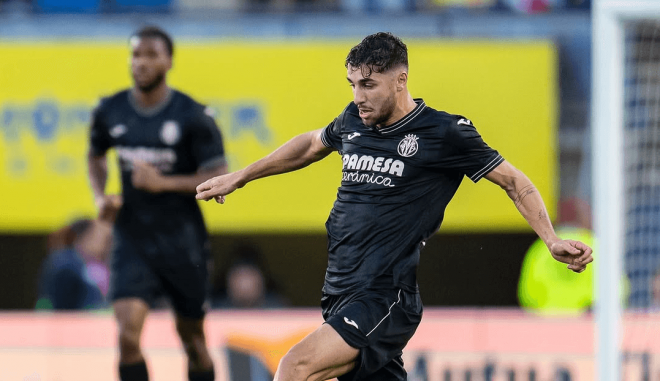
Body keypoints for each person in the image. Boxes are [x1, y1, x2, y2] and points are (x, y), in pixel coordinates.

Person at [196, 32, 593, 381]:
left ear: (400, 80)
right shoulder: (354, 118)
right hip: (339, 290)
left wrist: (551, 239)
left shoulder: (444, 132)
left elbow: (514, 181)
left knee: (295, 367)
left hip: (385, 295)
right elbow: (311, 144)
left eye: (368, 84)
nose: (358, 96)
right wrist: (242, 175)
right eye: (352, 84)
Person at [87, 26, 227, 381]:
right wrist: (102, 196)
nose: (142, 62)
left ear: (168, 61)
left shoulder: (193, 116)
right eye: (136, 54)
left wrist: (161, 182)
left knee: (193, 341)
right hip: (132, 238)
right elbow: (95, 155)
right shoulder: (110, 110)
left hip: (182, 241)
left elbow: (219, 174)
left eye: (151, 55)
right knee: (127, 336)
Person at [36, 200, 119, 310]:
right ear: (83, 238)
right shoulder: (65, 262)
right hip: (72, 321)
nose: (107, 244)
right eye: (103, 238)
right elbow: (58, 302)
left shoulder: (104, 263)